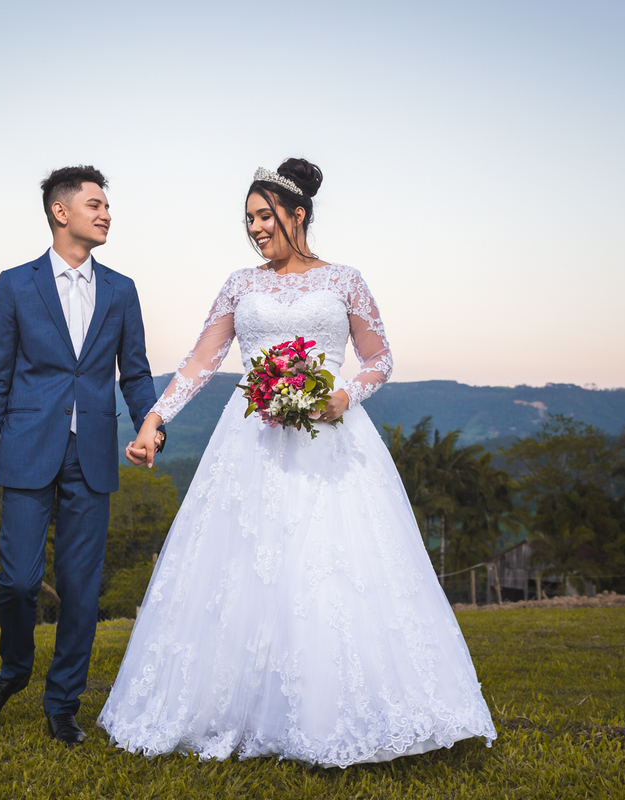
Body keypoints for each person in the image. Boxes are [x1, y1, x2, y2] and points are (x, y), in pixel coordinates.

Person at [98, 158, 495, 767]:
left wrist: (344, 395)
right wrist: (153, 421)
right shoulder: (239, 284)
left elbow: (379, 358)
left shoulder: (345, 280)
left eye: (265, 216)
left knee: (331, 566)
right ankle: (242, 708)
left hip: (332, 438)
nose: (256, 229)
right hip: (250, 439)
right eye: (249, 219)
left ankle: (341, 710)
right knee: (246, 567)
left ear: (298, 214)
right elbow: (200, 363)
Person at [0, 165, 165, 747]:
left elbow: (136, 372)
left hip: (93, 455)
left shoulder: (121, 290)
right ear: (61, 211)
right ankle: (14, 669)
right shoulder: (14, 285)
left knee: (81, 589)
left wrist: (151, 427)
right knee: (18, 582)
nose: (106, 215)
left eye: (107, 206)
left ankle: (63, 704)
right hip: (26, 451)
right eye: (95, 204)